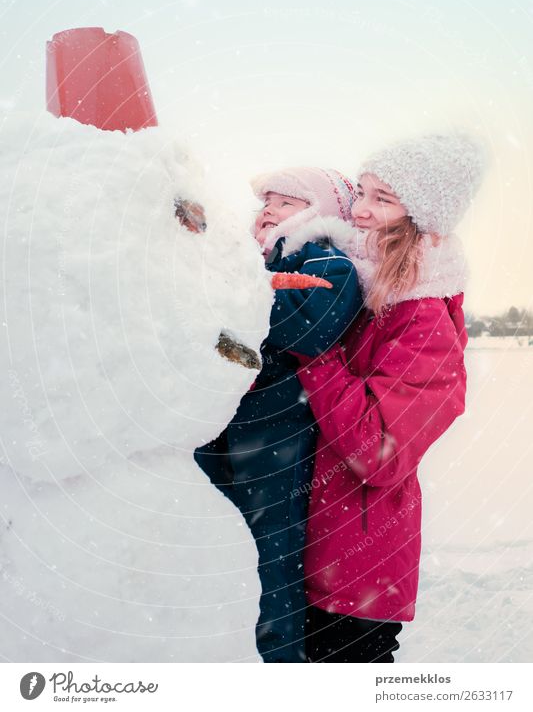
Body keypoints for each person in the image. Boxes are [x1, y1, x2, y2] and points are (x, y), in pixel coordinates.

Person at [292, 133, 488, 663]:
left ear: (420, 216)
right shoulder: (359, 287)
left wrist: (315, 356)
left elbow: (379, 449)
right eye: (362, 192)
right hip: (310, 551)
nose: (360, 210)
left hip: (356, 571)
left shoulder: (423, 319)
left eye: (384, 199)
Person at [194, 167, 363, 662]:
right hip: (219, 423)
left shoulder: (331, 263)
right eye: (266, 201)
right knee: (213, 536)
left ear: (319, 213)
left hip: (277, 432)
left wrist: (240, 292)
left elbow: (305, 330)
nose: (268, 209)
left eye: (286, 202)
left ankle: (277, 662)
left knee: (271, 550)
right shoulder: (250, 263)